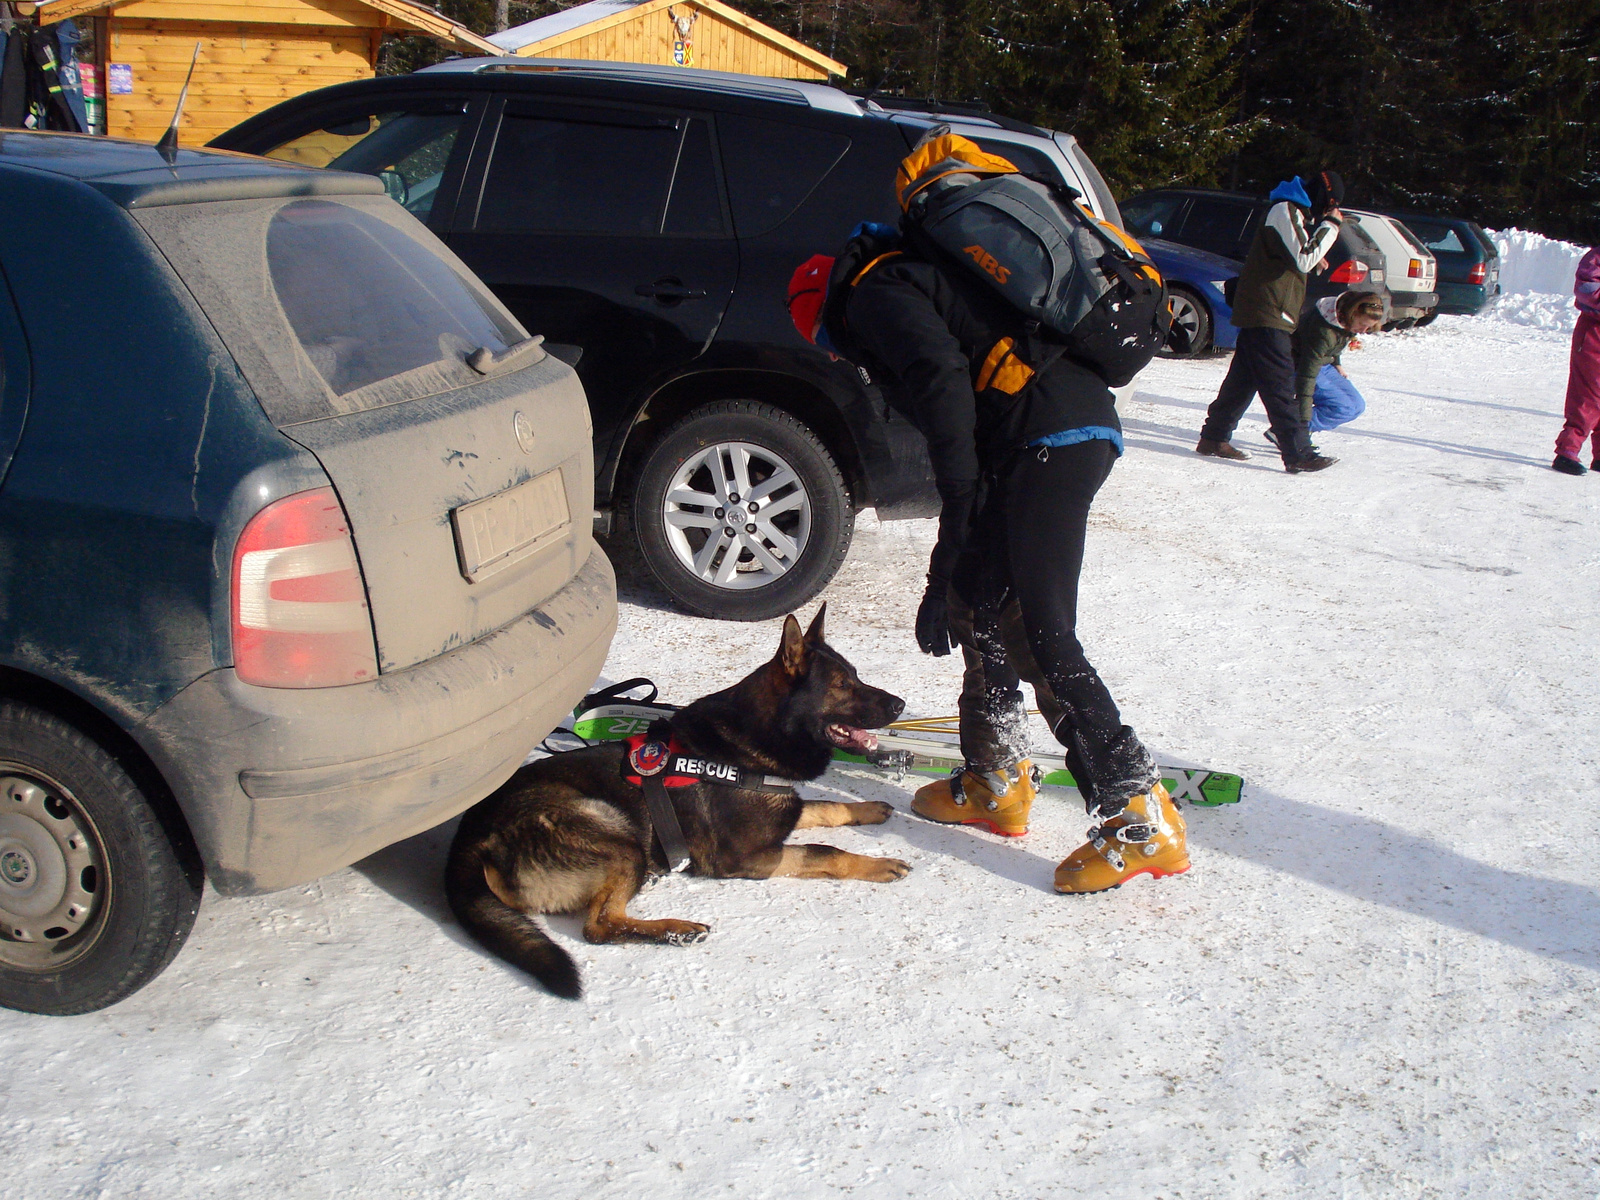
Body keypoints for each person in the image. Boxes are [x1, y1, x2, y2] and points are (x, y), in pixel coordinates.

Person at [786, 138, 1188, 896]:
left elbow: (944, 395)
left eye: (828, 348)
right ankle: (996, 778)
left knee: (1043, 628)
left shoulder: (874, 294)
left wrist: (953, 530)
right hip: (1039, 434)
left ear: (822, 318)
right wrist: (954, 565)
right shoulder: (910, 277)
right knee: (981, 602)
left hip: (1053, 437)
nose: (841, 359)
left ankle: (1141, 819)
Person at [1196, 171, 1344, 472]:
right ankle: (1298, 453)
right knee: (1280, 383)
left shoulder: (1294, 212)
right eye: (1330, 204)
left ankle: (1214, 437)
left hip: (1267, 310)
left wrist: (1316, 256)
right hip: (1269, 312)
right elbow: (1303, 256)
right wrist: (1332, 225)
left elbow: (1296, 256)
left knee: (1242, 380)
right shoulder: (1284, 209)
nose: (1329, 211)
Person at [1290, 290, 1387, 436]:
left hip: (1323, 364)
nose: (1362, 331)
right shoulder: (1322, 331)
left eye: (1368, 327)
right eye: (1362, 324)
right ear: (1353, 313)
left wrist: (1337, 363)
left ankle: (1293, 429)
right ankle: (1291, 431)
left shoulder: (1343, 318)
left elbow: (1336, 341)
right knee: (1343, 408)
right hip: (1300, 366)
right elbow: (1307, 376)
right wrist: (1303, 417)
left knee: (1357, 406)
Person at [1552, 246, 1600, 476]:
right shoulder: (1596, 257)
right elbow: (1586, 288)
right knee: (1588, 394)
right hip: (1594, 333)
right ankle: (1567, 451)